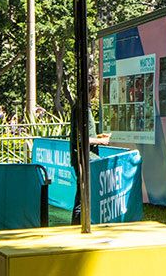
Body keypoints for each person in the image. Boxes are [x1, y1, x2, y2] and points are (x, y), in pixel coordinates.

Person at [70, 75, 110, 225]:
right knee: (82, 198)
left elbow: (84, 134)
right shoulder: (82, 108)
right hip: (84, 159)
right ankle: (75, 228)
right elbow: (80, 139)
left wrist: (97, 136)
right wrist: (101, 141)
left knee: (83, 196)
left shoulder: (80, 106)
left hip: (87, 157)